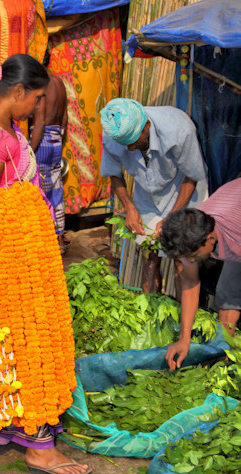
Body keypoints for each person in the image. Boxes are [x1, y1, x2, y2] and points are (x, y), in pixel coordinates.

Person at [0, 54, 91, 474]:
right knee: (30, 348)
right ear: (16, 92)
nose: (37, 110)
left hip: (22, 259)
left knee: (14, 347)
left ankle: (9, 425)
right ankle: (39, 447)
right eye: (35, 100)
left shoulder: (0, 122)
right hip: (4, 263)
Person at [100, 98, 207, 293]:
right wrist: (129, 207)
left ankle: (183, 320)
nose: (130, 149)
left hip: (182, 188)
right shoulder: (113, 135)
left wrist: (171, 218)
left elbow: (192, 177)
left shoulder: (179, 129)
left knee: (182, 257)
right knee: (149, 254)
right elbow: (114, 174)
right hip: (147, 192)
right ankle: (150, 314)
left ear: (147, 125)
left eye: (134, 143)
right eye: (126, 146)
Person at [160, 177, 241, 370]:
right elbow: (189, 282)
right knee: (228, 294)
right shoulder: (193, 227)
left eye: (193, 257)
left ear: (209, 240)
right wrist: (184, 339)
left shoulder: (234, 232)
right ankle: (222, 357)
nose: (191, 262)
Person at [29, 52, 68, 254]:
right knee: (56, 190)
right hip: (56, 140)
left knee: (41, 192)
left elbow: (40, 122)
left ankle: (47, 243)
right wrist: (59, 137)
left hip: (42, 139)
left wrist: (29, 149)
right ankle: (60, 238)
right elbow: (64, 119)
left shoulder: (40, 85)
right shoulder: (59, 82)